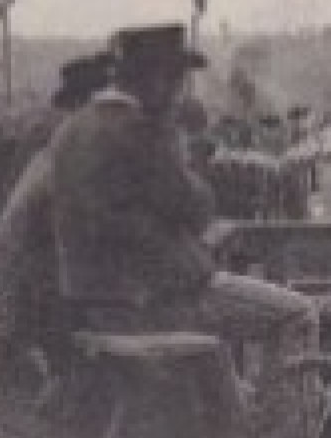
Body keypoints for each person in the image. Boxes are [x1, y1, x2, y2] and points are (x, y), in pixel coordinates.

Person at [48, 25, 315, 402]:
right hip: (156, 302)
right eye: (176, 79)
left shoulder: (71, 130)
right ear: (154, 79)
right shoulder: (139, 130)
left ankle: (236, 406)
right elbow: (197, 208)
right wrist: (183, 158)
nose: (179, 92)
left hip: (91, 300)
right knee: (297, 314)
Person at [0, 51, 115, 391]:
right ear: (87, 103)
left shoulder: (56, 132)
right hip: (35, 288)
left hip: (25, 275)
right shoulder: (65, 142)